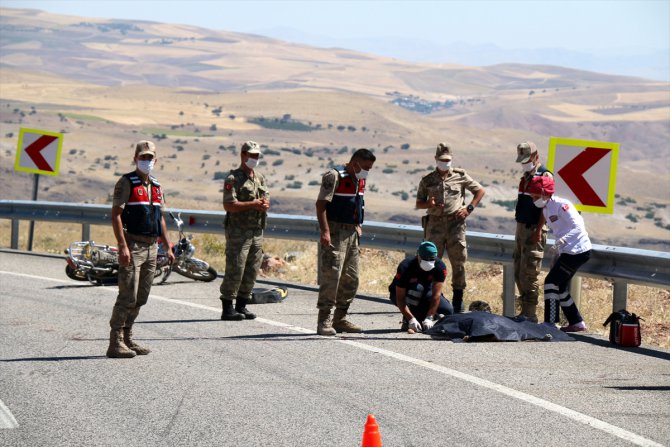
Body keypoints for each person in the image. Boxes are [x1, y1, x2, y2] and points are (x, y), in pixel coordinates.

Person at [107, 140, 175, 358]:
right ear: (135, 159)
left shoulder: (156, 186)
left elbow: (160, 218)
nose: (146, 161)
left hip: (152, 247)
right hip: (133, 245)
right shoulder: (127, 182)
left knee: (141, 297)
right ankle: (115, 341)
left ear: (156, 160)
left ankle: (127, 337)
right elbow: (116, 214)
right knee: (127, 294)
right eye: (142, 157)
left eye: (150, 158)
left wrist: (167, 245)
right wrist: (122, 246)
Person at [415, 143, 485, 313]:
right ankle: (431, 302)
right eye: (442, 160)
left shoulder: (460, 176)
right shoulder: (428, 180)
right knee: (430, 262)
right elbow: (418, 203)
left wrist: (468, 209)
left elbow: (480, 191)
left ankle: (457, 303)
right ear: (436, 159)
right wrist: (428, 204)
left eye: (447, 160)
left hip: (455, 225)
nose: (445, 163)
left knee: (458, 263)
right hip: (435, 225)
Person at [315, 148, 376, 335]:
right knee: (332, 276)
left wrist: (357, 224)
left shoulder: (359, 179)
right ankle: (324, 320)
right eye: (365, 167)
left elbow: (358, 202)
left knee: (351, 278)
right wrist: (325, 231)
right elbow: (321, 205)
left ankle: (340, 318)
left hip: (351, 233)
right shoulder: (334, 176)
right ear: (355, 163)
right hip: (334, 232)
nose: (367, 171)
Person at [527, 175, 591, 332]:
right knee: (561, 287)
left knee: (551, 282)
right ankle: (577, 322)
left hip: (577, 251)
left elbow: (578, 227)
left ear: (544, 193)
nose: (533, 199)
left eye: (535, 196)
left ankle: (550, 322)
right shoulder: (546, 208)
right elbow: (552, 224)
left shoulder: (563, 205)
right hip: (567, 251)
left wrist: (561, 242)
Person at [219, 141, 270, 320]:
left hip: (256, 230)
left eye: (257, 155)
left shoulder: (260, 178)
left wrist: (264, 205)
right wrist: (253, 204)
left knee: (251, 269)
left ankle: (242, 305)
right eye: (252, 155)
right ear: (243, 155)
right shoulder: (234, 179)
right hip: (238, 232)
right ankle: (227, 307)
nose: (254, 158)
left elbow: (265, 198)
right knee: (236, 268)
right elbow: (229, 204)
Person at [513, 141, 553, 323]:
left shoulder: (544, 175)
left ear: (536, 156)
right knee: (518, 272)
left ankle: (530, 314)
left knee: (529, 273)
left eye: (526, 159)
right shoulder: (526, 177)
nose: (524, 163)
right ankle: (524, 312)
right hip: (521, 228)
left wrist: (538, 230)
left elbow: (547, 206)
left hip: (534, 229)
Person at [389, 241, 454, 332]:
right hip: (403, 294)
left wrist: (429, 317)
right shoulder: (405, 267)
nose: (428, 261)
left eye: (431, 259)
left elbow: (436, 295)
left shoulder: (440, 267)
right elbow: (400, 298)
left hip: (426, 292)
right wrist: (411, 319)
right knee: (417, 290)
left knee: (448, 310)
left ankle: (429, 316)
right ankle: (407, 319)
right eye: (425, 258)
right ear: (418, 255)